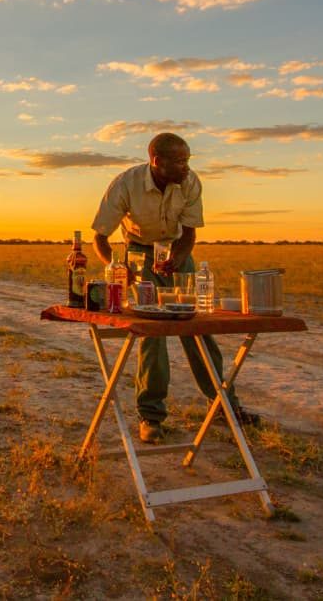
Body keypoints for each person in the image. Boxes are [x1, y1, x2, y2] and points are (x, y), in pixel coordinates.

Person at [90, 132, 259, 444]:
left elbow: (189, 234)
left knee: (197, 329)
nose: (186, 166)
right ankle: (150, 417)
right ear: (157, 162)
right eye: (180, 161)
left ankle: (224, 406)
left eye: (188, 159)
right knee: (151, 335)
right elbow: (100, 236)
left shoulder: (191, 182)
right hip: (139, 254)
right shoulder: (125, 184)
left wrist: (177, 259)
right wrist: (116, 265)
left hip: (178, 253)